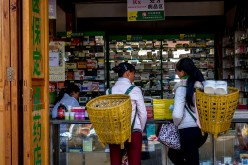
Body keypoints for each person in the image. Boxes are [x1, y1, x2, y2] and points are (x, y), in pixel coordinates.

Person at [168, 58, 208, 165]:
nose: (176, 73)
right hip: (202, 131)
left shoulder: (181, 88)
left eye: (177, 70)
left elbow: (177, 115)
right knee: (192, 158)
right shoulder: (201, 86)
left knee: (174, 155)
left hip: (187, 131)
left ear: (182, 72)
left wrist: (176, 124)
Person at [106, 62, 147, 165]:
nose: (134, 76)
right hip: (133, 132)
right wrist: (139, 130)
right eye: (133, 74)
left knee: (115, 162)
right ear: (128, 73)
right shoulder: (135, 90)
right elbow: (143, 114)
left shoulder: (109, 91)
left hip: (115, 133)